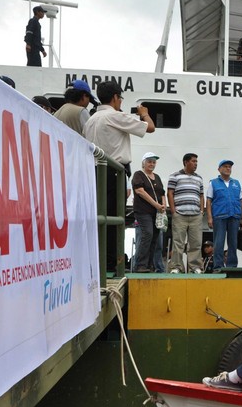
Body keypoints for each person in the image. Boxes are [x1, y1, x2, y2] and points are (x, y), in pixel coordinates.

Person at [84, 81, 155, 271]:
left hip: (94, 171)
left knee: (100, 216)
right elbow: (150, 127)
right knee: (115, 217)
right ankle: (111, 262)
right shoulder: (115, 116)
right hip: (114, 171)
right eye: (120, 98)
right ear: (115, 97)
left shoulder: (91, 119)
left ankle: (99, 261)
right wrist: (144, 113)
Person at [167, 153, 204, 274]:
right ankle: (176, 267)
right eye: (193, 161)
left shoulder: (199, 178)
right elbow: (170, 193)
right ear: (185, 162)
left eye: (197, 162)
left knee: (196, 242)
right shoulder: (174, 176)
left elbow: (201, 195)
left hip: (196, 216)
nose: (196, 164)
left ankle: (195, 267)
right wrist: (173, 211)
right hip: (180, 215)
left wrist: (201, 210)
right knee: (178, 242)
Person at [131, 152, 166, 273]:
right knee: (147, 234)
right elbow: (140, 191)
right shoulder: (139, 175)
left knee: (155, 237)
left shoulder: (157, 177)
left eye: (154, 162)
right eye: (149, 161)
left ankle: (149, 265)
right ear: (143, 163)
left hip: (156, 213)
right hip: (143, 211)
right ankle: (140, 264)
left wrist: (163, 206)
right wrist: (156, 204)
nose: (152, 164)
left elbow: (162, 193)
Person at [206, 160, 242, 272]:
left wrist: (240, 216)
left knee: (233, 242)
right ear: (219, 169)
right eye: (225, 166)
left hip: (234, 216)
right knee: (219, 242)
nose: (228, 169)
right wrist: (209, 217)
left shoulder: (236, 183)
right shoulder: (213, 183)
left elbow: (240, 200)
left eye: (229, 167)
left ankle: (232, 266)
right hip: (219, 216)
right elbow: (208, 201)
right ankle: (218, 267)